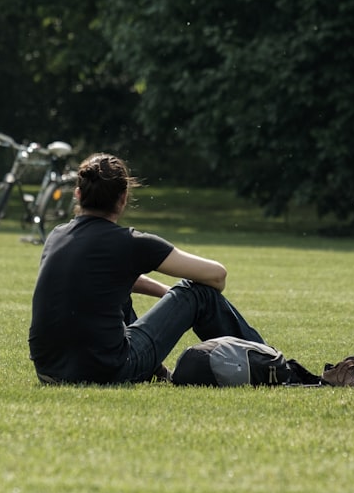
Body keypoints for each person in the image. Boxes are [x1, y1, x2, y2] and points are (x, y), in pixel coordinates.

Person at [29, 153, 266, 384]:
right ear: (123, 199)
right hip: (104, 370)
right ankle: (269, 364)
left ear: (78, 195)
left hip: (48, 370)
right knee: (198, 292)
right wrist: (183, 298)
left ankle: (157, 374)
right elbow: (217, 275)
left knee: (118, 297)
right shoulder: (129, 242)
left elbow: (106, 279)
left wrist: (168, 295)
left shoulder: (57, 235)